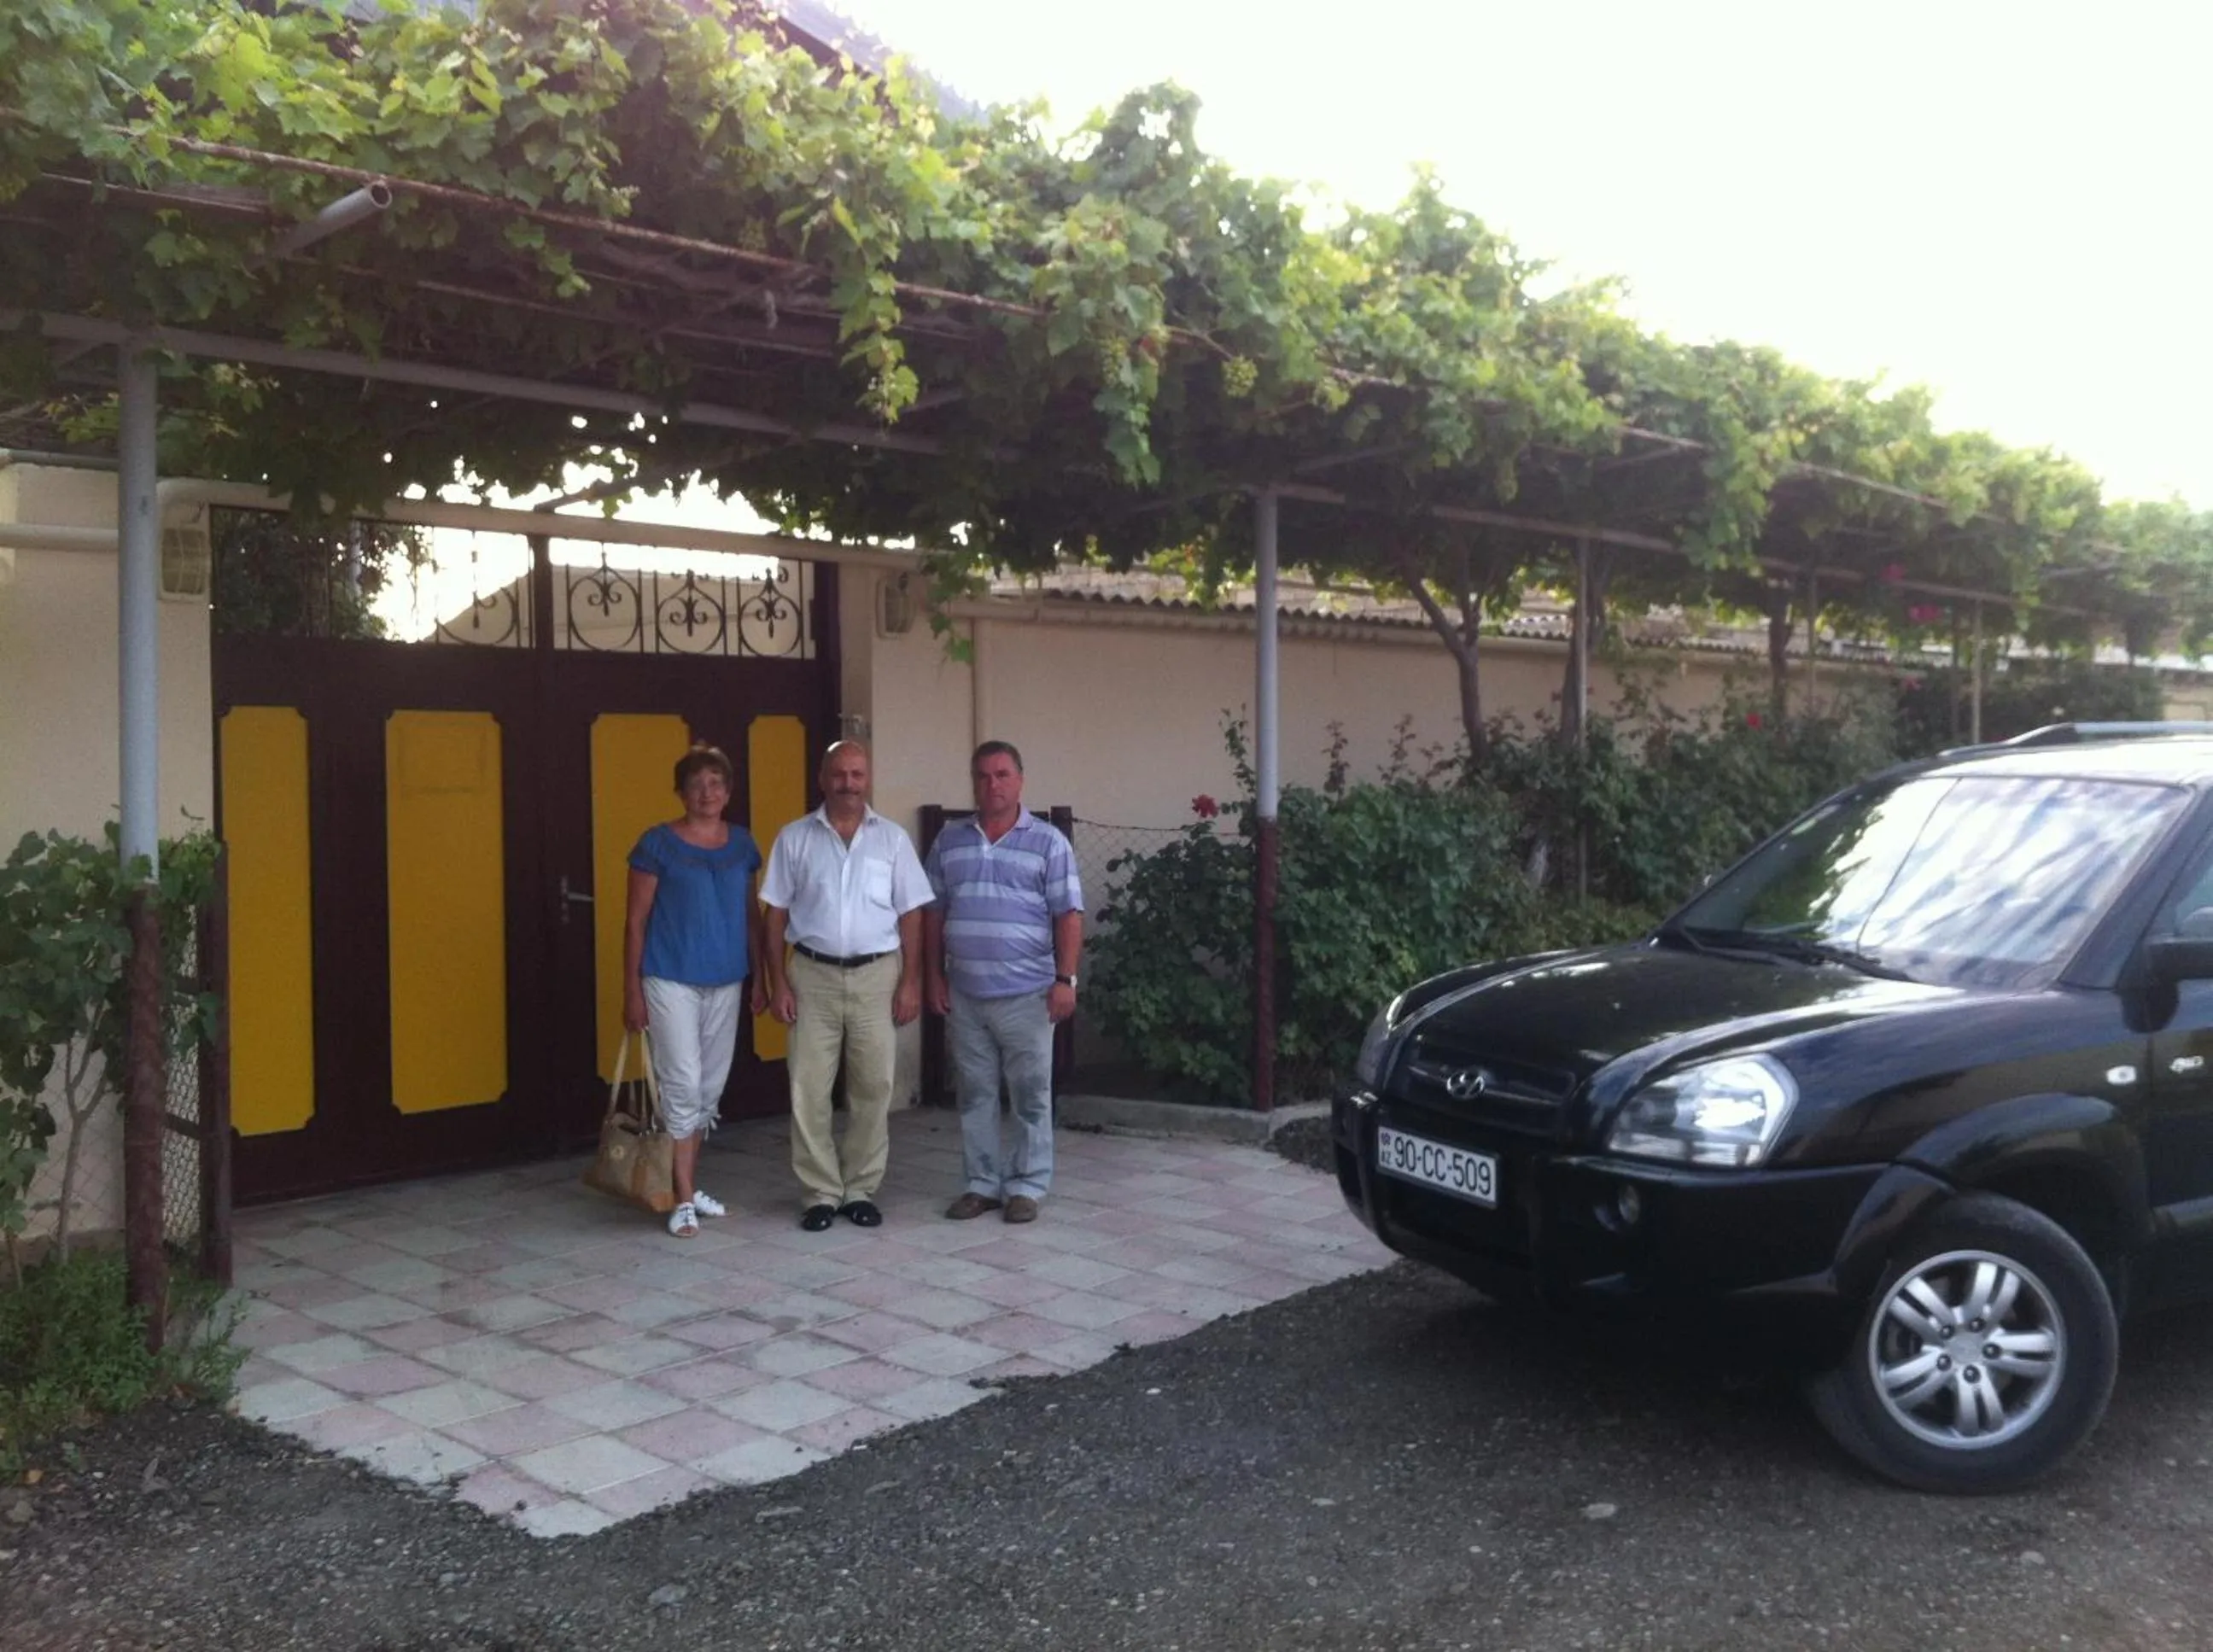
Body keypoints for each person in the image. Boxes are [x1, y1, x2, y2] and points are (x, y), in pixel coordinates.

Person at [759, 740, 931, 1232]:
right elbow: (775, 915)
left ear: (868, 778)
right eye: (839, 774)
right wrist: (778, 984)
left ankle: (860, 1189)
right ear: (823, 779)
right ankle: (819, 1192)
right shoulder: (794, 838)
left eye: (857, 774)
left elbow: (912, 913)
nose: (848, 783)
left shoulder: (893, 840)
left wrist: (910, 981)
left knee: (873, 1086)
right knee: (807, 1087)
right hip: (811, 974)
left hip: (879, 974)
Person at [923, 740, 1083, 1224]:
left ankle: (1028, 1186)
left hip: (1029, 995)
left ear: (1020, 781)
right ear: (973, 782)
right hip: (967, 994)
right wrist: (933, 975)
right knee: (975, 1095)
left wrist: (1065, 980)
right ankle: (981, 1185)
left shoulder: (1049, 842)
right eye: (983, 776)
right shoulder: (948, 841)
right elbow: (933, 913)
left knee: (1031, 1096)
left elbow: (1069, 916)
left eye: (1002, 775)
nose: (992, 784)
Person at [622, 744, 765, 1238]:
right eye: (697, 783)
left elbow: (752, 917)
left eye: (716, 783)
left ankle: (687, 1180)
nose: (707, 792)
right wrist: (632, 990)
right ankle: (680, 1196)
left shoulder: (743, 845)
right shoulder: (656, 844)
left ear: (728, 792)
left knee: (709, 1088)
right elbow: (636, 923)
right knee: (681, 1083)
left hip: (726, 978)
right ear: (681, 791)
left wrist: (762, 977)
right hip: (669, 977)